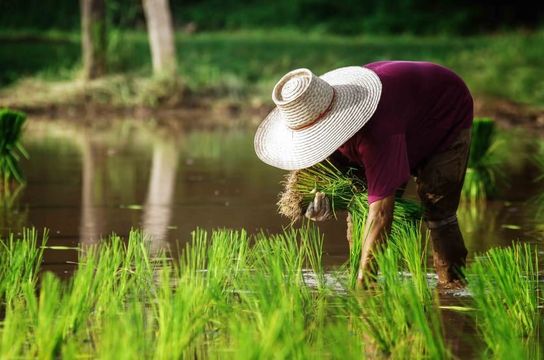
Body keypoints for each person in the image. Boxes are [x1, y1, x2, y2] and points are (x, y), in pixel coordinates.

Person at [254, 61, 473, 288]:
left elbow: (380, 214)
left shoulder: (376, 133)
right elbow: (347, 190)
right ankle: (362, 273)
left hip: (444, 112)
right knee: (359, 207)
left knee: (438, 210)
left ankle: (452, 287)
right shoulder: (329, 125)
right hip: (402, 116)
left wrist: (363, 285)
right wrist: (324, 198)